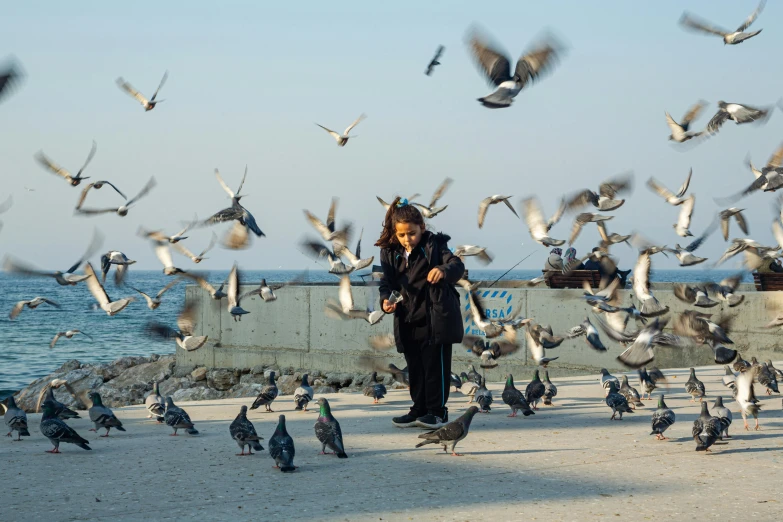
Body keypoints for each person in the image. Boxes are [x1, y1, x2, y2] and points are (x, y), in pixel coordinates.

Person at [376, 197, 465, 429]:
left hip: (436, 318)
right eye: (402, 235)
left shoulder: (434, 245)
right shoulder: (389, 252)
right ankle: (419, 409)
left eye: (412, 233)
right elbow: (387, 282)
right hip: (406, 317)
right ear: (395, 233)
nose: (408, 239)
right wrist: (385, 300)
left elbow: (456, 265)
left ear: (422, 228)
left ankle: (438, 412)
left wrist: (442, 270)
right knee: (414, 367)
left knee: (435, 367)